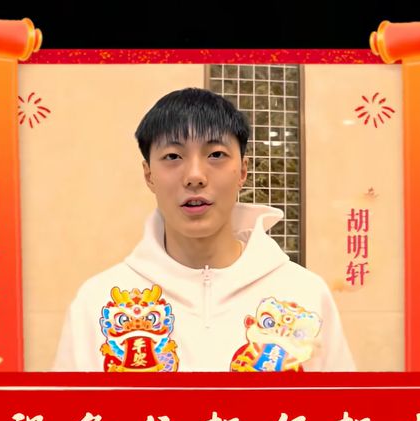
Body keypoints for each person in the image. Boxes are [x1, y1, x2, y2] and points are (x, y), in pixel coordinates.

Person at [53, 87, 356, 372]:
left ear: (243, 171)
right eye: (173, 157)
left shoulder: (305, 295)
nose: (195, 176)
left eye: (216, 155)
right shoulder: (96, 303)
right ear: (149, 175)